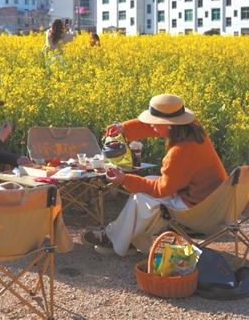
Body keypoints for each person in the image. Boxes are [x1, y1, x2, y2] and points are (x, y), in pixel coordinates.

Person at [82, 94, 227, 256]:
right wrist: (124, 128)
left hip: (198, 210)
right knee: (148, 182)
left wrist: (124, 179)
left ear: (170, 125)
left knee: (141, 201)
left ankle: (113, 238)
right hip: (213, 201)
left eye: (154, 121)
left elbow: (161, 190)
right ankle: (126, 238)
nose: (151, 124)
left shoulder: (180, 152)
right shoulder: (191, 129)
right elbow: (153, 128)